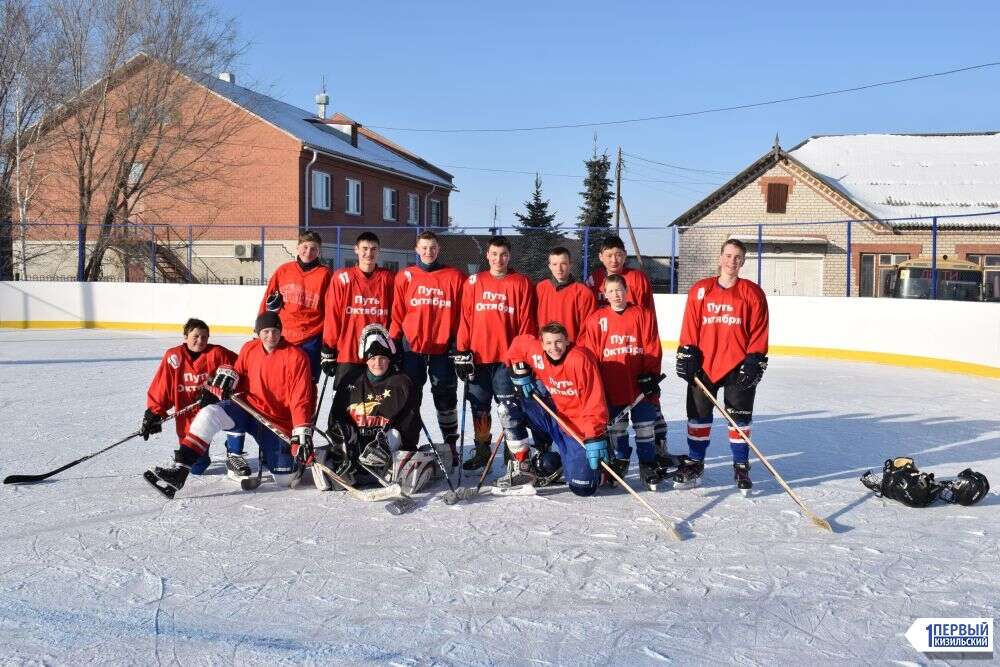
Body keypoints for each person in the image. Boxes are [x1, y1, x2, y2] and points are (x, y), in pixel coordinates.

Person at [144, 311, 316, 497]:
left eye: (275, 331)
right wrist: (221, 385)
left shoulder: (297, 357)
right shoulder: (249, 349)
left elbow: (301, 398)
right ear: (258, 332)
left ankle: (290, 463)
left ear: (281, 331)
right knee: (210, 413)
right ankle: (180, 470)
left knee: (285, 480)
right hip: (247, 410)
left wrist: (301, 431)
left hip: (276, 421)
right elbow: (238, 376)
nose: (270, 336)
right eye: (265, 331)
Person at [674, 239, 769, 492]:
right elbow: (690, 324)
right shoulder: (700, 290)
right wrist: (687, 351)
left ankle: (740, 465)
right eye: (728, 256)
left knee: (739, 420)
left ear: (743, 261)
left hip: (737, 367)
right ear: (720, 258)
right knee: (698, 418)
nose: (732, 261)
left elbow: (759, 329)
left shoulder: (752, 292)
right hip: (704, 366)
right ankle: (695, 462)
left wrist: (755, 358)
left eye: (737, 257)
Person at [587, 234, 673, 468]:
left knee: (647, 404)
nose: (614, 259)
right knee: (613, 412)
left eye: (618, 254)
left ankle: (657, 446)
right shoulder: (594, 278)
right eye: (609, 255)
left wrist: (650, 367)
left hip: (634, 351)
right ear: (601, 257)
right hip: (609, 352)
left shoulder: (637, 278)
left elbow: (645, 317)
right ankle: (618, 453)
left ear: (625, 255)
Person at [454, 235, 536, 471]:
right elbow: (466, 318)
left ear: (509, 256)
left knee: (508, 407)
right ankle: (482, 452)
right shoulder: (473, 282)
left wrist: (522, 356)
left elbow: (525, 323)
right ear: (487, 255)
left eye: (503, 255)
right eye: (494, 254)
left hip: (505, 360)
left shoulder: (520, 282)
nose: (498, 259)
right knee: (479, 407)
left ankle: (514, 452)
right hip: (478, 358)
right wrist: (462, 351)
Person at [325, 324, 437, 494]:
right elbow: (336, 418)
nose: (378, 363)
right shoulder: (349, 381)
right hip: (357, 450)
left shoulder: (402, 383)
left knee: (395, 437)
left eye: (383, 358)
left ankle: (388, 467)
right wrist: (343, 444)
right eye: (373, 358)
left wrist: (387, 445)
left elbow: (411, 424)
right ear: (366, 359)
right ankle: (351, 467)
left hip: (388, 450)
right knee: (328, 480)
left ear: (389, 358)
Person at [577, 273, 664, 489]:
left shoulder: (642, 315)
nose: (615, 295)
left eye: (619, 290)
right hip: (612, 384)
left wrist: (651, 374)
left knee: (645, 427)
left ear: (626, 291)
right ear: (604, 294)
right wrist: (595, 383)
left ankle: (647, 464)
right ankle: (621, 460)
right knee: (617, 429)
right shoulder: (596, 319)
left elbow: (652, 346)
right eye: (610, 291)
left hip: (640, 385)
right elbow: (590, 354)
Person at [505, 323, 610, 495]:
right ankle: (522, 466)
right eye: (548, 343)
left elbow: (594, 401)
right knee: (508, 407)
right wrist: (521, 370)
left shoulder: (580, 360)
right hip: (553, 414)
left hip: (577, 426)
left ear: (567, 341)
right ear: (542, 343)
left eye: (558, 342)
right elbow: (518, 344)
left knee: (582, 488)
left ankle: (596, 467)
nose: (553, 347)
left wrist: (594, 436)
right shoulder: (536, 351)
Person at [389, 230, 466, 464]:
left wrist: (460, 345)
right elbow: (397, 314)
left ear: (438, 249)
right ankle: (409, 444)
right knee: (411, 397)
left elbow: (464, 315)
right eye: (424, 248)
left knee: (445, 397)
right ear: (416, 250)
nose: (428, 252)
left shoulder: (455, 276)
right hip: (413, 348)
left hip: (443, 349)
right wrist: (393, 344)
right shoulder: (405, 276)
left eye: (432, 247)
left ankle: (450, 445)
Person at [142, 318, 245, 479]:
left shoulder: (217, 353)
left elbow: (241, 368)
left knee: (237, 418)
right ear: (185, 336)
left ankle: (232, 450)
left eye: (204, 337)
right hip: (187, 417)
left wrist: (221, 389)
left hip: (215, 411)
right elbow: (162, 386)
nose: (200, 340)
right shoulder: (173, 357)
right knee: (197, 467)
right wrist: (155, 413)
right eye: (195, 336)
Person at [321, 231, 394, 392]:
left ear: (379, 250)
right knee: (344, 405)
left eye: (373, 249)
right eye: (365, 248)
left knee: (376, 406)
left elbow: (396, 315)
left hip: (379, 355)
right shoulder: (342, 278)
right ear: (356, 249)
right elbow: (333, 315)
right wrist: (328, 347)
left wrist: (394, 345)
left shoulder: (388, 278)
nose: (369, 253)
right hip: (348, 352)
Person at [258, 231, 332, 381]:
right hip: (284, 336)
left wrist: (329, 341)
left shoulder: (326, 274)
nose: (308, 252)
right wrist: (260, 327)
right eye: (305, 247)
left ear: (319, 251)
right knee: (280, 380)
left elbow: (331, 310)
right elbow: (267, 299)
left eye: (314, 249)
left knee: (307, 382)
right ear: (297, 247)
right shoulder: (283, 270)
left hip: (311, 338)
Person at [534, 246, 596, 343]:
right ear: (549, 266)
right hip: (545, 350)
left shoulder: (583, 293)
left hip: (572, 351)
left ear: (570, 264)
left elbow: (587, 329)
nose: (559, 268)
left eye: (563, 264)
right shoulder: (540, 288)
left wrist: (578, 352)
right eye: (555, 264)